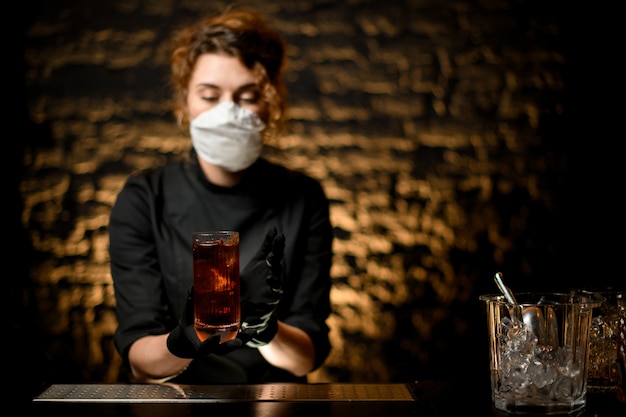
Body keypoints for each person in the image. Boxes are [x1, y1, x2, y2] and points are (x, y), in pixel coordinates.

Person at [108, 8, 334, 384]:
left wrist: (265, 329)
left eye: (247, 96)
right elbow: (140, 359)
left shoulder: (302, 197)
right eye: (210, 95)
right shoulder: (144, 198)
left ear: (271, 104)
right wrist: (188, 339)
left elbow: (305, 357)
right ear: (185, 104)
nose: (227, 112)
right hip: (173, 403)